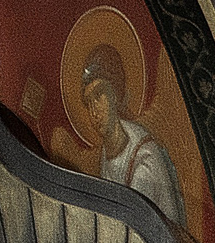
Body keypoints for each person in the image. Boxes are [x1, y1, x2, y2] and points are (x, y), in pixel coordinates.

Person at [79, 44, 184, 230]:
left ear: (115, 95)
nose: (94, 111)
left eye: (99, 95)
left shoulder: (145, 157)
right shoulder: (106, 152)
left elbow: (135, 227)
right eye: (88, 103)